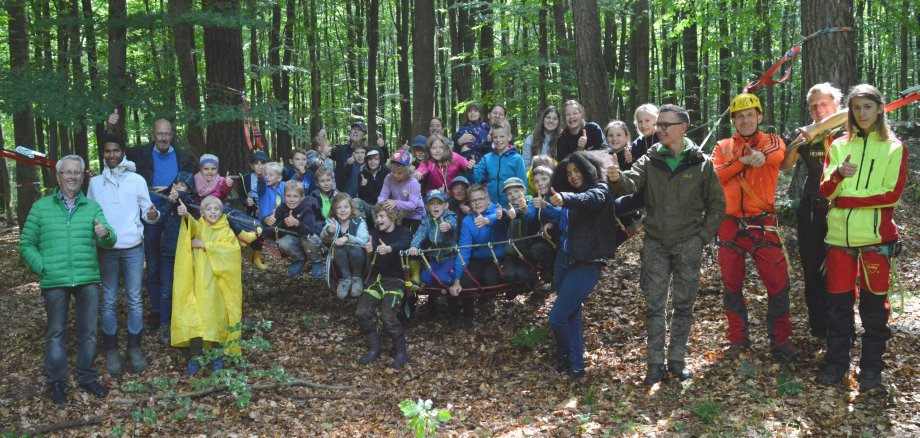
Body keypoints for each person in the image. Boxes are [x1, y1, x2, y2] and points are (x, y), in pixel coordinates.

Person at [609, 104, 725, 385]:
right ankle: (654, 364)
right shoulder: (650, 159)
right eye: (658, 124)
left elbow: (717, 206)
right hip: (656, 243)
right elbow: (630, 184)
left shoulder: (701, 162)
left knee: (684, 305)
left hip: (688, 243)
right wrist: (616, 177)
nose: (658, 129)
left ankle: (677, 361)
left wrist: (700, 239)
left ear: (682, 128)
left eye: (664, 125)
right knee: (654, 305)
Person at [816, 84, 907, 392]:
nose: (862, 113)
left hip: (875, 239)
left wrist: (847, 198)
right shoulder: (839, 144)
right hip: (839, 238)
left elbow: (890, 195)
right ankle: (837, 365)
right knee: (838, 306)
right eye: (856, 108)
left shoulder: (894, 147)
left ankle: (871, 372)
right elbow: (826, 190)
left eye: (868, 107)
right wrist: (839, 175)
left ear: (880, 108)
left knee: (874, 309)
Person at [20, 155, 117, 404]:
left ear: (83, 176)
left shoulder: (92, 207)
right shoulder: (41, 207)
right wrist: (43, 267)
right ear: (58, 176)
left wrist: (105, 233)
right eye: (68, 172)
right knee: (56, 332)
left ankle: (86, 377)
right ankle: (56, 383)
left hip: (86, 278)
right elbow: (27, 244)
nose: (73, 177)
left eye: (78, 173)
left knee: (89, 333)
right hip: (55, 280)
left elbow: (110, 238)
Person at [712, 93, 799, 360]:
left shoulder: (771, 140)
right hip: (729, 225)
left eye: (751, 114)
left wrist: (759, 156)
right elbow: (716, 174)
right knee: (731, 284)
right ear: (734, 120)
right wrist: (742, 162)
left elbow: (776, 155)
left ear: (759, 116)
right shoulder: (723, 145)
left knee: (778, 283)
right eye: (740, 115)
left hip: (762, 223)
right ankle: (738, 339)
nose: (746, 119)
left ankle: (781, 340)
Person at [530, 151, 617, 379]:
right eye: (569, 173)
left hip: (586, 263)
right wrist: (548, 210)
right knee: (571, 315)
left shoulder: (600, 189)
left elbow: (588, 201)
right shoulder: (571, 195)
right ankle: (576, 366)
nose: (573, 176)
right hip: (564, 261)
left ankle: (565, 356)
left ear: (588, 169)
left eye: (577, 171)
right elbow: (564, 218)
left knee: (557, 318)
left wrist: (565, 198)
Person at [88, 134, 159, 375]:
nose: (111, 155)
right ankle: (111, 351)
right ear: (103, 154)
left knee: (134, 299)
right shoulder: (95, 183)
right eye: (107, 151)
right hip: (106, 249)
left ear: (123, 151)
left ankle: (134, 348)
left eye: (115, 150)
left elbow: (148, 210)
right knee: (108, 299)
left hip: (133, 249)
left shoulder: (136, 180)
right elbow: (91, 214)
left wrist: (153, 215)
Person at [780, 82, 843, 339]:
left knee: (841, 268)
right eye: (814, 106)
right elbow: (785, 165)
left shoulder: (849, 128)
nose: (818, 110)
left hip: (842, 211)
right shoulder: (807, 135)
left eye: (824, 104)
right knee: (811, 268)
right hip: (811, 210)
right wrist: (799, 140)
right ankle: (818, 328)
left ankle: (840, 327)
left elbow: (856, 109)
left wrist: (820, 127)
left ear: (836, 104)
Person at [125, 117, 197, 331]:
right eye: (160, 133)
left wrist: (176, 190)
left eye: (167, 134)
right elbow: (115, 156)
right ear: (153, 134)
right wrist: (111, 127)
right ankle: (157, 309)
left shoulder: (184, 157)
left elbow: (191, 183)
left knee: (176, 262)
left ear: (172, 135)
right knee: (154, 264)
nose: (164, 137)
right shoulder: (140, 154)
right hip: (151, 215)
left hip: (176, 215)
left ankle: (176, 306)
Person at [172, 195, 243, 376]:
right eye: (209, 209)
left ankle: (217, 356)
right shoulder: (199, 226)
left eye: (216, 209)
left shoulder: (225, 230)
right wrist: (186, 215)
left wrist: (205, 245)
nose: (213, 212)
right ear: (202, 212)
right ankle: (196, 356)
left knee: (216, 320)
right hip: (198, 284)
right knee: (197, 319)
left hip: (218, 287)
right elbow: (191, 227)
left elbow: (232, 251)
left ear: (221, 212)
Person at [357, 205, 413, 368]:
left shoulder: (403, 232)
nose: (378, 220)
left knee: (388, 316)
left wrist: (390, 248)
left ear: (393, 217)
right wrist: (369, 249)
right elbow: (370, 248)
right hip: (376, 279)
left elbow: (406, 243)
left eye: (382, 216)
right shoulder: (374, 233)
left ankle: (401, 352)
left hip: (395, 280)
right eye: (377, 216)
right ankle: (374, 348)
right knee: (362, 311)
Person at [448, 184, 503, 330]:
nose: (477, 203)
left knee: (490, 280)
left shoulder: (496, 211)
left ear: (488, 199)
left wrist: (488, 220)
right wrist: (457, 280)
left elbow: (501, 217)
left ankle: (486, 303)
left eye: (481, 199)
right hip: (479, 259)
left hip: (497, 258)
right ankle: (468, 315)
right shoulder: (467, 221)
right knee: (466, 280)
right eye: (473, 201)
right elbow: (464, 249)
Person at [153, 172, 197, 345]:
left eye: (183, 185)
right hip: (168, 254)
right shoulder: (167, 205)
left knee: (186, 288)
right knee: (166, 289)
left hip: (186, 254)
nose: (178, 188)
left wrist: (182, 199)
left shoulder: (192, 205)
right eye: (175, 185)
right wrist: (169, 203)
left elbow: (196, 217)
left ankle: (185, 323)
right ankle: (165, 324)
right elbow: (158, 220)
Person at [408, 190, 459, 320]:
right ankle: (432, 310)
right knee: (425, 279)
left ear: (446, 205)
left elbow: (453, 224)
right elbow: (420, 233)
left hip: (449, 258)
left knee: (444, 280)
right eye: (432, 204)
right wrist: (414, 246)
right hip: (435, 259)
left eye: (439, 203)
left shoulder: (450, 216)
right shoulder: (427, 220)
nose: (436, 206)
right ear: (427, 206)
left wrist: (447, 226)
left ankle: (454, 312)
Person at [321, 193, 370, 299]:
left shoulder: (358, 222)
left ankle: (357, 278)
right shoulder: (332, 222)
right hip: (341, 260)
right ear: (334, 210)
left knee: (355, 249)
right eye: (339, 207)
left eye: (346, 207)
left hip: (358, 258)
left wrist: (348, 238)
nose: (343, 210)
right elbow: (323, 238)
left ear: (351, 208)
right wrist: (329, 231)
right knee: (338, 248)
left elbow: (363, 240)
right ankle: (346, 279)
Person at [472, 119, 528, 208]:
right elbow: (476, 178)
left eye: (502, 136)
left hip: (512, 207)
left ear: (509, 137)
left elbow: (523, 184)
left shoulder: (517, 159)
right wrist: (470, 169)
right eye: (495, 137)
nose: (498, 140)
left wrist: (523, 205)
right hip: (491, 207)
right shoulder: (487, 158)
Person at [269, 182, 319, 277]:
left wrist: (297, 223)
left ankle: (316, 261)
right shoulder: (283, 207)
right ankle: (300, 259)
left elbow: (310, 231)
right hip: (294, 240)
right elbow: (272, 222)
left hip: (307, 239)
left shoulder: (307, 208)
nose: (291, 200)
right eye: (288, 196)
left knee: (310, 239)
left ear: (302, 197)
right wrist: (269, 219)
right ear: (284, 196)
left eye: (295, 196)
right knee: (282, 243)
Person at [378, 149, 425, 231]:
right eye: (393, 171)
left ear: (407, 171)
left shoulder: (413, 183)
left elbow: (413, 205)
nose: (395, 175)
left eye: (399, 173)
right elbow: (383, 195)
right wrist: (382, 204)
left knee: (408, 236)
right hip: (398, 214)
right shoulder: (389, 178)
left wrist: (396, 203)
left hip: (415, 216)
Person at [307, 167, 338, 279]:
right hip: (319, 227)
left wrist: (335, 200)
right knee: (312, 238)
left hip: (335, 228)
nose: (326, 183)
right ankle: (317, 261)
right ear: (317, 183)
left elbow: (342, 213)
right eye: (322, 181)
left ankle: (335, 267)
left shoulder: (336, 194)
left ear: (332, 181)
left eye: (328, 180)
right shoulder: (314, 195)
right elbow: (312, 217)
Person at [238, 150, 268, 218]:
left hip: (270, 212)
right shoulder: (246, 178)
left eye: (263, 163)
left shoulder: (271, 177)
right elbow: (241, 197)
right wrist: (246, 201)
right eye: (256, 163)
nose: (260, 165)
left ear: (267, 164)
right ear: (252, 166)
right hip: (253, 213)